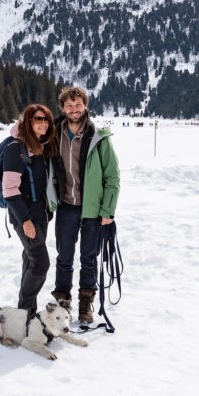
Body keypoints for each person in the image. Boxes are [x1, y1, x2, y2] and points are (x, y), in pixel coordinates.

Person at [50, 86, 120, 324]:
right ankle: (62, 301)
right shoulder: (53, 134)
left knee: (89, 258)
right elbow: (25, 131)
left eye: (78, 104)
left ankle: (85, 303)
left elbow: (112, 177)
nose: (74, 109)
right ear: (62, 108)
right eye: (69, 105)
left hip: (92, 209)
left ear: (85, 105)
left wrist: (108, 210)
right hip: (66, 205)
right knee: (64, 257)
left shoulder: (99, 137)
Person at [1, 103, 59, 316]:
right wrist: (25, 220)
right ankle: (24, 312)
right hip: (24, 216)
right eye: (37, 119)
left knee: (30, 258)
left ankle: (26, 312)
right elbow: (10, 190)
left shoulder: (41, 146)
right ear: (27, 122)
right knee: (41, 263)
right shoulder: (15, 149)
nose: (43, 123)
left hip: (41, 215)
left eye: (45, 119)